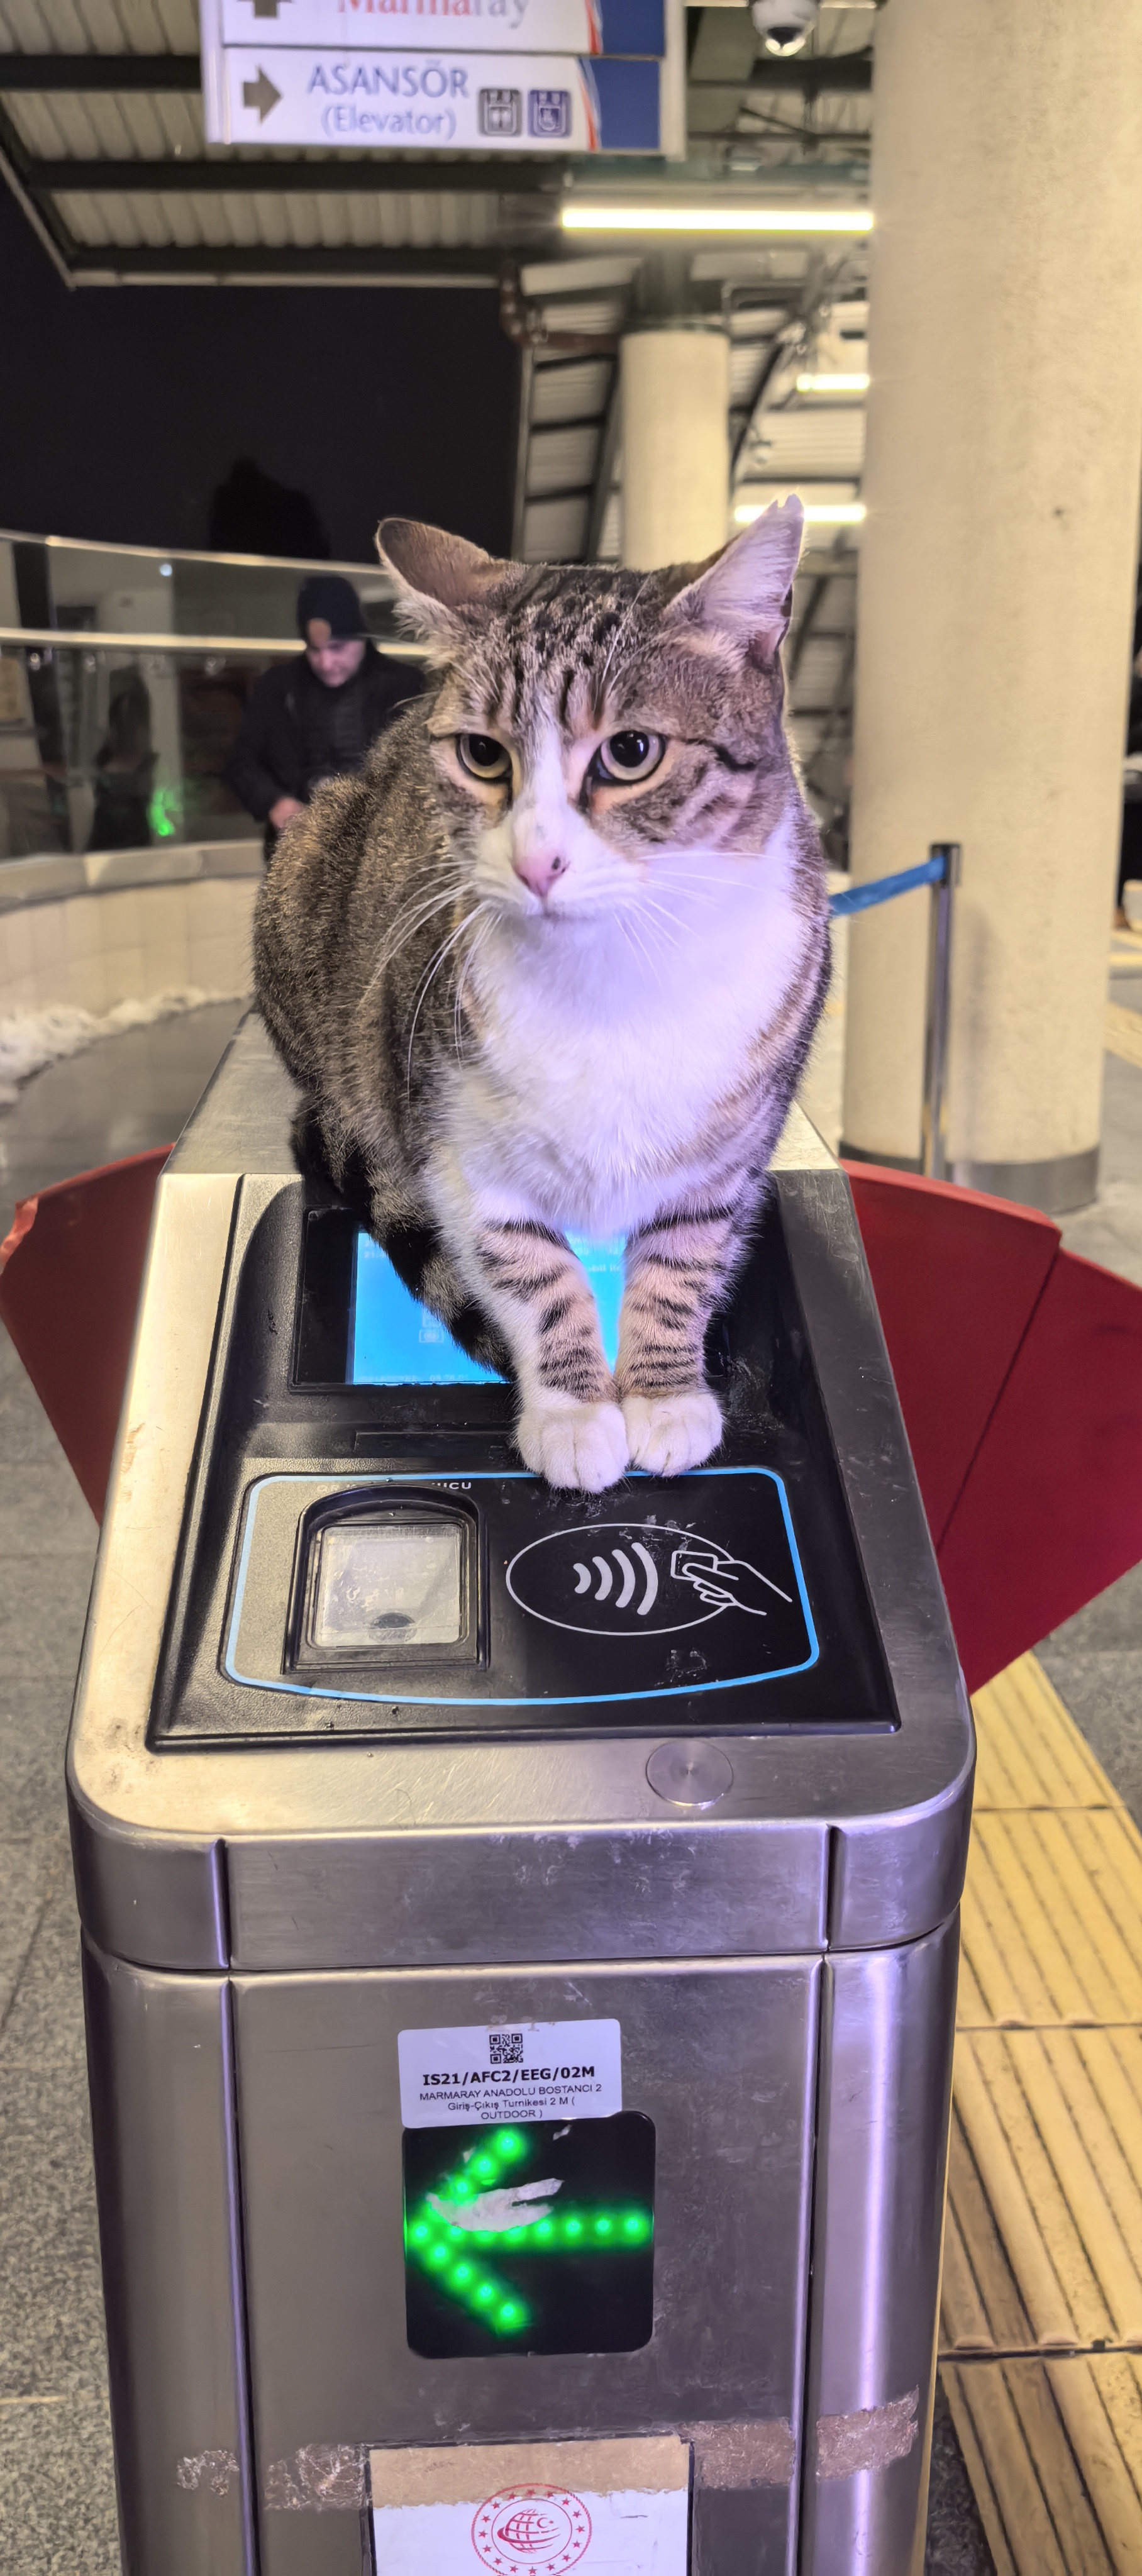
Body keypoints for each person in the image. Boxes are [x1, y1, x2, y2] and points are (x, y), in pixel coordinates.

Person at [226, 574, 423, 860]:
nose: (326, 663)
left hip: (379, 850)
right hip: (299, 850)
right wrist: (275, 803)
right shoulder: (276, 688)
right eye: (314, 650)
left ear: (360, 638)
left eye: (337, 648)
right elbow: (241, 763)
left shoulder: (405, 687)